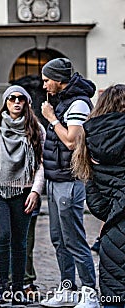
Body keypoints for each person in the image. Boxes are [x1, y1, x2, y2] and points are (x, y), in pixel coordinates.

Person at [0, 85, 45, 306]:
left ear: (26, 102)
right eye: (12, 98)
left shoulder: (36, 128)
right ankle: (1, 288)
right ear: (5, 102)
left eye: (21, 99)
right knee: (3, 236)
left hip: (24, 191)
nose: (17, 102)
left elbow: (42, 164)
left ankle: (18, 290)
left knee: (20, 242)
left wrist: (36, 190)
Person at [39, 58, 98, 308]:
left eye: (46, 80)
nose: (44, 85)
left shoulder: (78, 103)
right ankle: (68, 289)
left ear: (59, 79)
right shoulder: (64, 101)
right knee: (58, 239)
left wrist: (51, 119)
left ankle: (90, 293)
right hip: (55, 180)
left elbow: (72, 141)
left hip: (69, 181)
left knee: (73, 238)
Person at [72, 84, 125, 308]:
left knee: (114, 299)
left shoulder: (88, 138)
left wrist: (115, 212)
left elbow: (95, 203)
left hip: (113, 235)